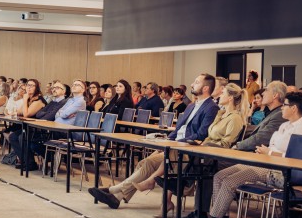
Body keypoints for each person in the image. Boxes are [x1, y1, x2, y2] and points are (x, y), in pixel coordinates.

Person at [88, 73, 219, 209]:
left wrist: (176, 143)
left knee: (148, 163)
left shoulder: (211, 107)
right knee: (145, 163)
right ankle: (117, 197)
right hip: (174, 145)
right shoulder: (191, 106)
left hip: (187, 150)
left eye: (197, 82)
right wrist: (168, 140)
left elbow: (201, 134)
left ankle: (114, 190)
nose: (192, 84)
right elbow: (178, 129)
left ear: (205, 88)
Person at [194, 91, 302, 218]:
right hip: (265, 163)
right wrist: (266, 152)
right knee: (220, 176)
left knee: (230, 181)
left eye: (284, 105)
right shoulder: (285, 125)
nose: (282, 108)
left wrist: (270, 153)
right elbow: (273, 146)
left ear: (294, 108)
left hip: (280, 172)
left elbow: (297, 158)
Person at [134, 83, 249, 217]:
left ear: (230, 98)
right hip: (206, 149)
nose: (220, 95)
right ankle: (174, 183)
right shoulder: (221, 114)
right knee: (175, 149)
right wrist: (201, 144)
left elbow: (226, 143)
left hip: (218, 154)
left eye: (223, 93)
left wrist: (205, 145)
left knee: (177, 152)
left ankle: (174, 183)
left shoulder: (235, 118)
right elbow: (209, 135)